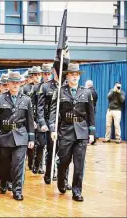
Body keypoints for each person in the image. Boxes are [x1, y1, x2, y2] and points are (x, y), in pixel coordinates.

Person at [49, 63, 95, 202]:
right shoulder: (60, 91)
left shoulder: (86, 92)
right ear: (67, 76)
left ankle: (77, 191)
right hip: (65, 130)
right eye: (72, 75)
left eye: (77, 75)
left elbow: (91, 113)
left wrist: (91, 132)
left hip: (81, 131)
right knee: (64, 160)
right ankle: (62, 181)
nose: (75, 77)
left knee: (79, 163)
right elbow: (53, 112)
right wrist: (52, 129)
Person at [0, 71, 35, 201]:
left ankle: (17, 190)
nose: (15, 85)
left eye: (17, 82)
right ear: (7, 84)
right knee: (4, 166)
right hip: (5, 136)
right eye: (13, 82)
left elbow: (30, 121)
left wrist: (31, 138)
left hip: (21, 136)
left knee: (18, 165)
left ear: (20, 83)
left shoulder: (26, 100)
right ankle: (3, 181)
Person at [85, 80, 98, 145]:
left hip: (88, 110)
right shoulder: (95, 91)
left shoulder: (88, 92)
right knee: (92, 124)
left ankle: (89, 140)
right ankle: (93, 140)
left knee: (87, 124)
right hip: (93, 109)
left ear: (87, 85)